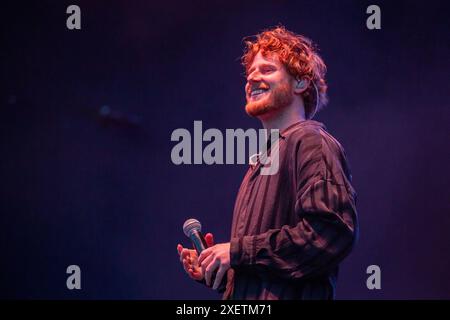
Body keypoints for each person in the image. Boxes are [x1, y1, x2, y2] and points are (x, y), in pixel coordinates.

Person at [177, 26, 358, 300]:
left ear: (300, 83)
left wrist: (237, 251)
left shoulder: (310, 142)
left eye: (267, 69)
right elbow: (270, 271)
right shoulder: (260, 164)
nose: (252, 77)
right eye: (251, 71)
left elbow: (330, 233)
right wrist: (221, 268)